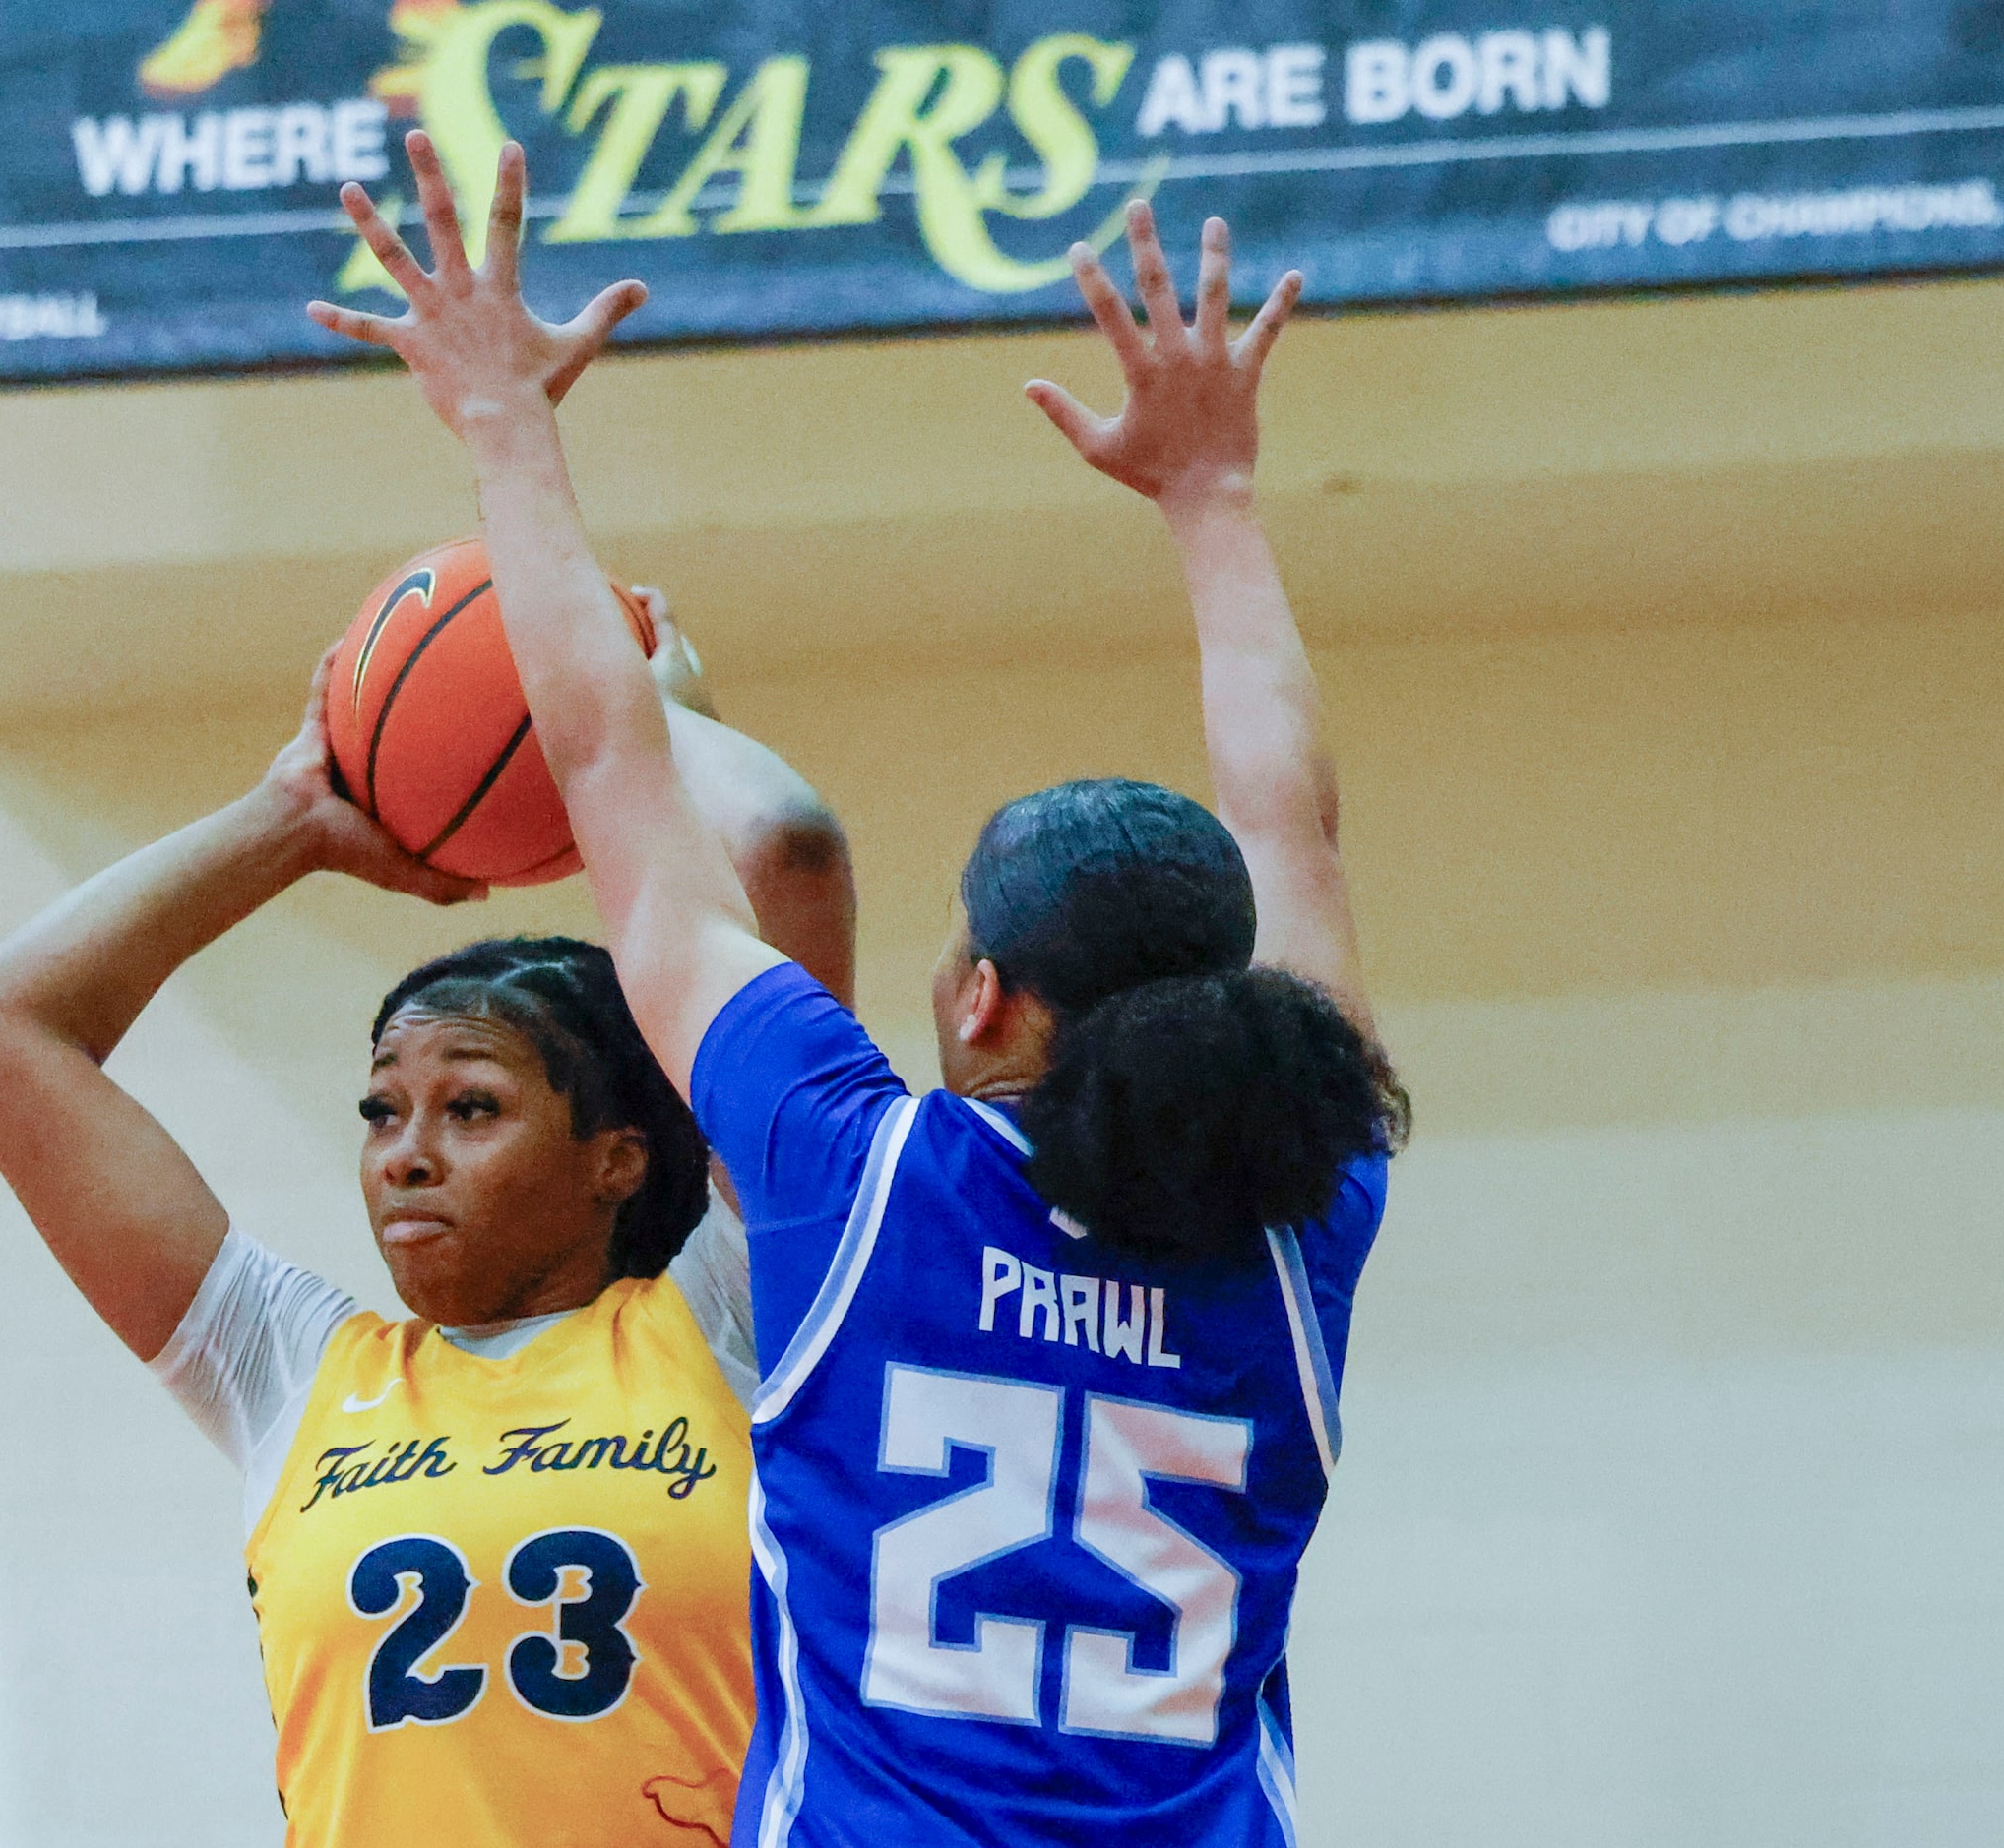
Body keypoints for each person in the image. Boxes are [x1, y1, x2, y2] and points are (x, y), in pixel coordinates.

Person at [312, 134, 1406, 1845]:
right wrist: (1221, 504)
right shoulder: (1299, 1214)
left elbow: (602, 756)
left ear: (980, 998)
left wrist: (507, 429)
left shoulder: (864, 1173)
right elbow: (1299, 826)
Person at [0, 620, 854, 1847]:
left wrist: (648, 726)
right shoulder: (295, 1373)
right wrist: (292, 820)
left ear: (615, 1157)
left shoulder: (732, 1314)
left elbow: (790, 859)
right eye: (380, 1110)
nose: (405, 1152)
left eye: (471, 1108)